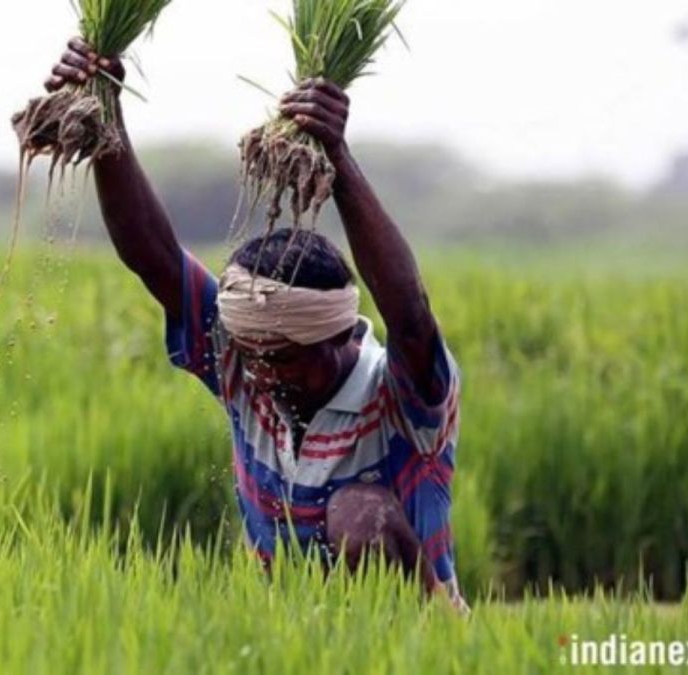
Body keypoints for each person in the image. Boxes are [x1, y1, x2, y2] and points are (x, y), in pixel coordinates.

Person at [44, 38, 467, 612]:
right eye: (252, 354)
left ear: (338, 336)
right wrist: (106, 114)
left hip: (411, 639)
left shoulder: (402, 397)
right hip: (282, 635)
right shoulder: (244, 361)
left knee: (356, 512)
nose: (263, 374)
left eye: (284, 358)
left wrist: (337, 159)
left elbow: (410, 315)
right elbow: (154, 256)